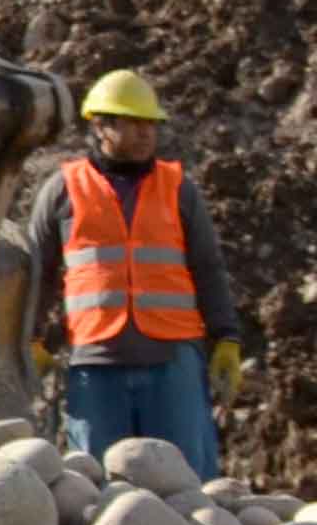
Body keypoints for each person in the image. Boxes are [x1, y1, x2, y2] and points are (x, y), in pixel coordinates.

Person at [26, 68, 243, 477]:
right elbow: (37, 272)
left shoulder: (178, 188)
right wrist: (30, 338)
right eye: (133, 123)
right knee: (98, 485)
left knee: (186, 482)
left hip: (172, 360)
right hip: (95, 362)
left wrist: (226, 337)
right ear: (100, 126)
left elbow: (208, 267)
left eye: (151, 124)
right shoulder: (63, 190)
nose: (146, 133)